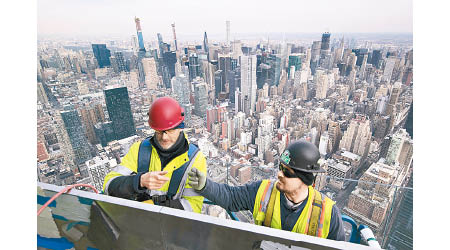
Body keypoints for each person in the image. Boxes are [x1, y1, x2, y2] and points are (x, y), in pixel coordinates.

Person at [188, 140, 345, 240]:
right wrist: (205, 186)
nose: (279, 174)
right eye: (280, 168)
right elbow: (231, 197)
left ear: (306, 180)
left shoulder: (328, 213)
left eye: (287, 172)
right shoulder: (262, 191)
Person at [103, 96, 207, 213]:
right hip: (139, 220)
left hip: (172, 224)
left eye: (170, 131)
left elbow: (193, 206)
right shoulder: (139, 150)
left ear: (180, 128)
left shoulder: (195, 159)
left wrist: (155, 205)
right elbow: (109, 186)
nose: (164, 137)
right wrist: (138, 181)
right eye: (159, 132)